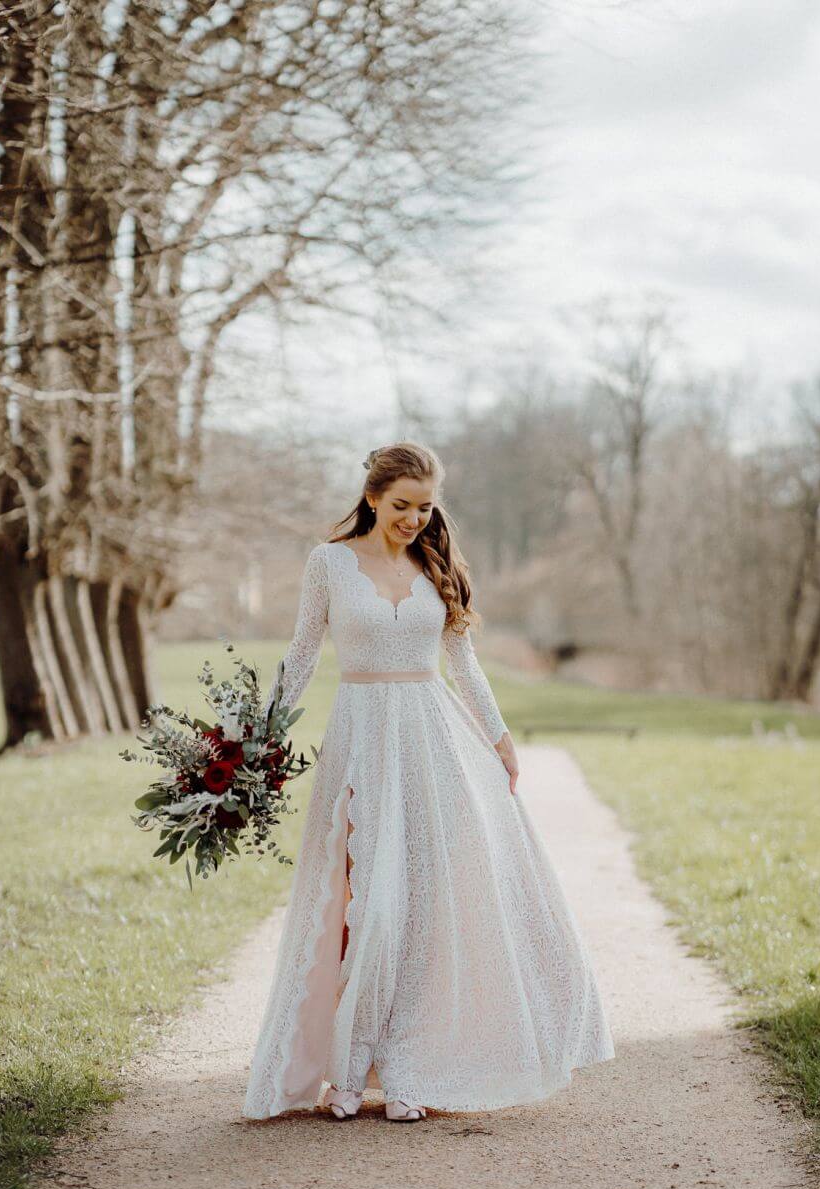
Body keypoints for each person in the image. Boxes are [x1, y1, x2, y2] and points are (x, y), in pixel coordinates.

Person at [243, 441, 614, 1122]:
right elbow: (300, 656)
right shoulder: (329, 563)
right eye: (401, 506)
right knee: (368, 906)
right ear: (373, 498)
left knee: (421, 909)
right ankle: (347, 1071)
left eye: (425, 507)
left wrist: (499, 737)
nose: (414, 518)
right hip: (361, 741)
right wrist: (256, 737)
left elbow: (464, 664)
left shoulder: (434, 568)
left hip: (433, 743)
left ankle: (410, 1068)